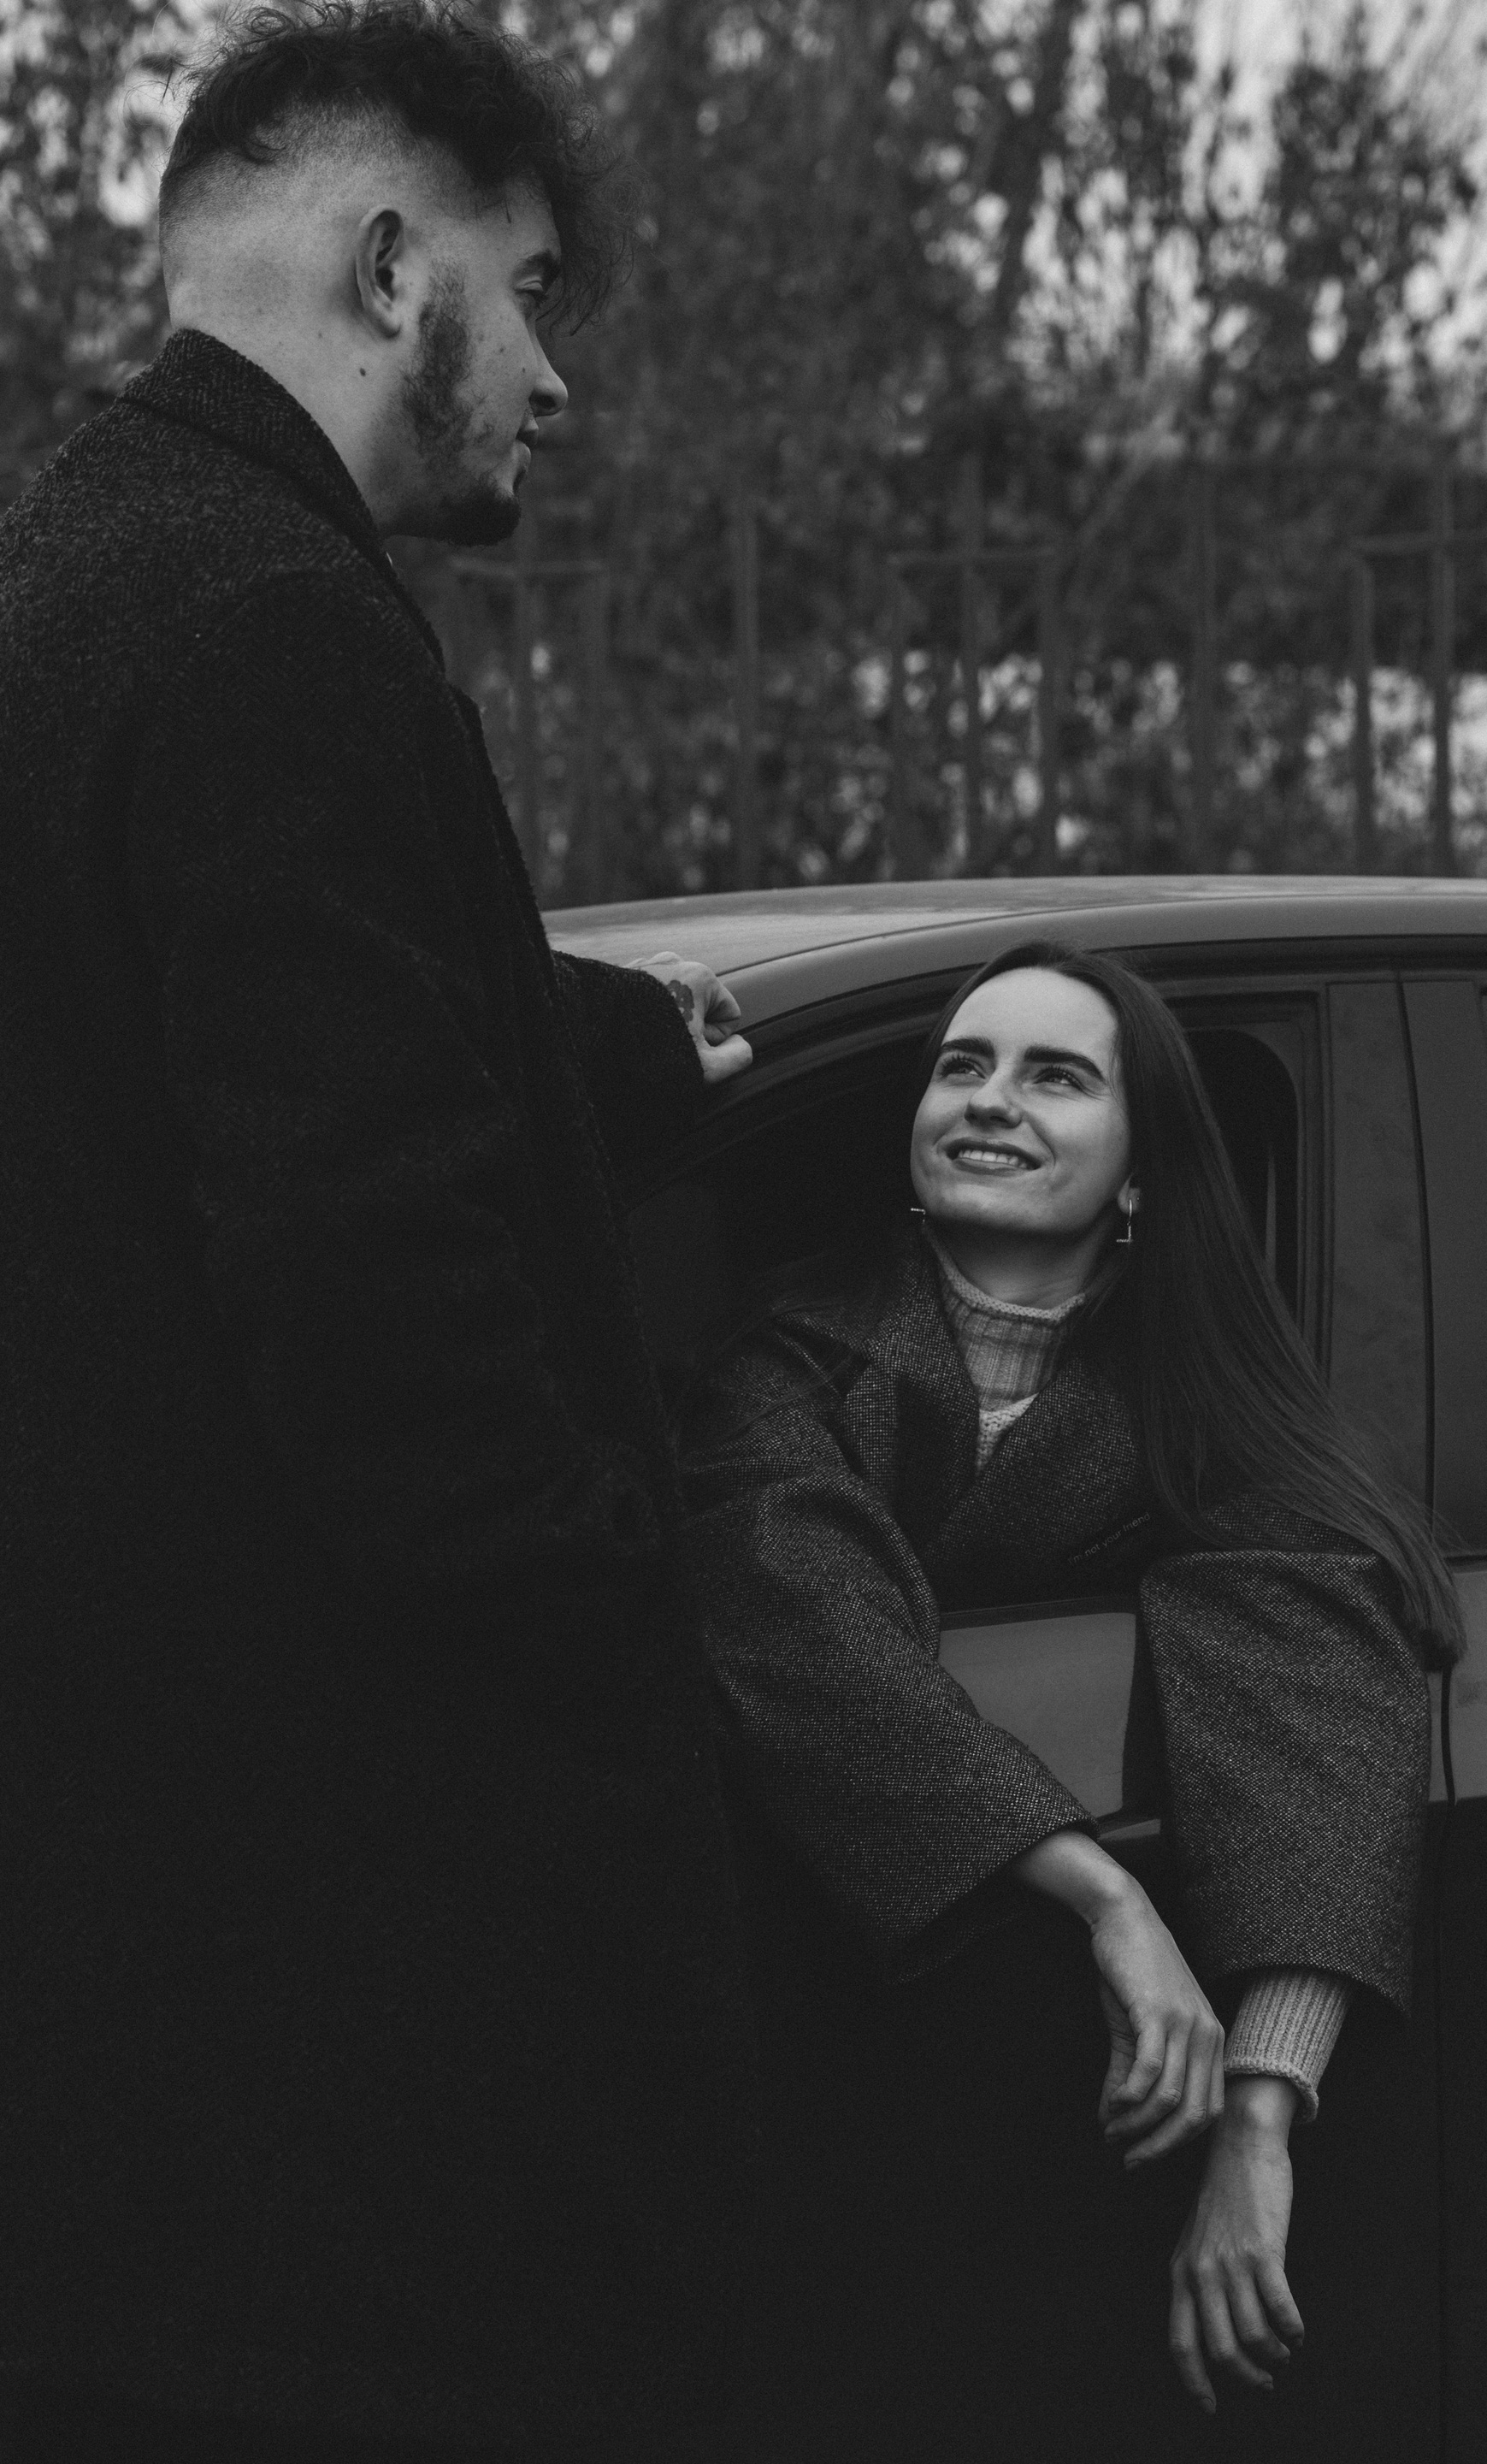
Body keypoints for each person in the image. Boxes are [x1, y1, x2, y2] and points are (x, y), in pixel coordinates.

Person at [0, 4, 758, 2458]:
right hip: (334, 1996)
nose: (554, 377)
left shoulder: (76, 571)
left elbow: (190, 1041)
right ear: (393, 265)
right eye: (532, 294)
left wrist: (610, 1046)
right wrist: (613, 1614)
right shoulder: (275, 628)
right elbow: (379, 1308)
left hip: (117, 1988)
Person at [683, 942, 1455, 2458]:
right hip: (800, 2068)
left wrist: (1262, 2108)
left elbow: (1319, 1705)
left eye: (1056, 1075)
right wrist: (1109, 1897)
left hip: (1077, 2146)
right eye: (962, 1067)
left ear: (1139, 1170)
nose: (992, 1099)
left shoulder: (1209, 1411)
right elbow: (802, 1623)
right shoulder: (781, 1360)